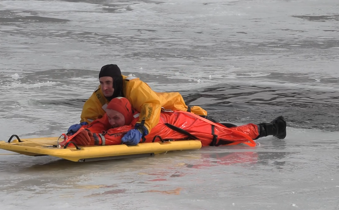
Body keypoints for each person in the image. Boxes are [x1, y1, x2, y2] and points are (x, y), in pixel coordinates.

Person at [67, 64, 208, 145]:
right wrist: (83, 128)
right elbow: (90, 116)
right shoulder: (100, 95)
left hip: (171, 109)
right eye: (102, 83)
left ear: (116, 82)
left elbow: (151, 105)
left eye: (108, 82)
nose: (104, 87)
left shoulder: (134, 87)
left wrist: (141, 130)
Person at [62, 97, 286, 147]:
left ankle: (271, 128)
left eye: (115, 117)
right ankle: (271, 126)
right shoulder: (122, 117)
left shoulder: (142, 123)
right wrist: (86, 128)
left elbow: (122, 132)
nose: (111, 121)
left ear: (127, 115)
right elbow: (106, 123)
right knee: (225, 128)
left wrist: (98, 140)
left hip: (185, 124)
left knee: (227, 135)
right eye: (109, 117)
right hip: (182, 118)